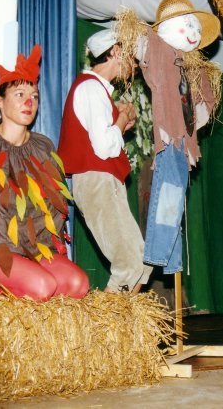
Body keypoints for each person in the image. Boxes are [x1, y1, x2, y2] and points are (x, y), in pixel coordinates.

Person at [0, 44, 89, 302]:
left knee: (78, 284)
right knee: (42, 287)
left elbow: (53, 210)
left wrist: (42, 252)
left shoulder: (43, 146)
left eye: (34, 96)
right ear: (0, 101)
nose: (29, 102)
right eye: (19, 94)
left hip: (33, 250)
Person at [129, 0, 220, 275]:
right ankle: (158, 254)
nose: (193, 33)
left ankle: (171, 260)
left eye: (195, 28)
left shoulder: (191, 67)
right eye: (186, 26)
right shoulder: (161, 52)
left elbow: (203, 105)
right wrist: (140, 33)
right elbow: (142, 45)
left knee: (176, 198)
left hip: (185, 141)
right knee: (169, 191)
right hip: (170, 136)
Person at [58, 29, 153, 293]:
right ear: (115, 52)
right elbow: (103, 147)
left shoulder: (95, 89)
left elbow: (104, 139)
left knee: (141, 261)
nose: (134, 64)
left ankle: (124, 317)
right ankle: (107, 319)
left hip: (103, 180)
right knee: (130, 263)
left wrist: (120, 122)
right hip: (96, 180)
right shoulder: (91, 87)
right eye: (130, 56)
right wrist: (121, 120)